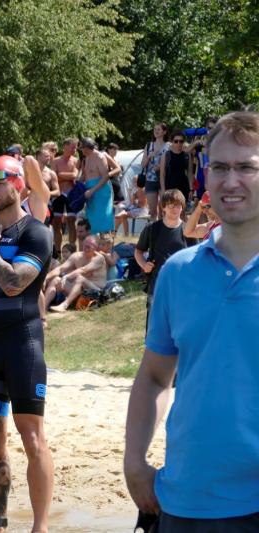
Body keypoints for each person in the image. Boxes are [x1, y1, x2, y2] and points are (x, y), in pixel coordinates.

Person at [124, 111, 259, 532]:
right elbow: (154, 378)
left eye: (246, 167)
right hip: (186, 501)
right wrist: (134, 461)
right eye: (219, 167)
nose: (230, 180)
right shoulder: (178, 272)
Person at [0, 155, 54, 533]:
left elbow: (13, 283)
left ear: (18, 186)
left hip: (22, 344)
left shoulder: (35, 233)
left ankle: (40, 526)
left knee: (32, 438)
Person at [134, 189, 190, 325]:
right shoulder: (152, 228)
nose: (175, 209)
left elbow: (196, 258)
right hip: (157, 286)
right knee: (154, 329)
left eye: (178, 205)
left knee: (178, 329)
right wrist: (144, 265)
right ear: (163, 207)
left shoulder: (188, 230)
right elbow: (138, 251)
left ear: (182, 207)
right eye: (171, 205)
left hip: (181, 288)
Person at [44, 236, 107, 313]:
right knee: (55, 280)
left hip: (96, 291)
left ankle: (64, 305)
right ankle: (43, 308)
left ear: (95, 248)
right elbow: (61, 268)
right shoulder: (76, 256)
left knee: (80, 278)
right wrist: (46, 278)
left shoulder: (99, 258)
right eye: (84, 246)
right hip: (79, 291)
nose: (85, 248)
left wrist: (67, 276)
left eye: (88, 247)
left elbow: (83, 270)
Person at [80, 137, 116, 234]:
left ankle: (104, 239)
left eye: (81, 147)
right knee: (91, 222)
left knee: (102, 220)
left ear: (86, 148)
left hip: (100, 191)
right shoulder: (86, 158)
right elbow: (87, 175)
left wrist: (92, 190)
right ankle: (94, 240)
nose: (80, 150)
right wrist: (78, 182)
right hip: (90, 191)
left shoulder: (100, 157)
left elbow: (105, 177)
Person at [51, 138, 81, 256]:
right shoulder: (55, 161)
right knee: (56, 223)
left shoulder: (76, 161)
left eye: (76, 147)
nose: (75, 149)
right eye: (73, 147)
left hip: (71, 194)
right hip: (58, 194)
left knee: (71, 221)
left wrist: (60, 174)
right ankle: (58, 251)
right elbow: (54, 177)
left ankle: (72, 250)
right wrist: (67, 176)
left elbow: (75, 175)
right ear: (65, 146)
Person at [141, 123, 170, 220]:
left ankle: (165, 228)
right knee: (153, 212)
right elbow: (143, 165)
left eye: (159, 129)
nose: (156, 131)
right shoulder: (149, 145)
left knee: (165, 210)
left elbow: (172, 163)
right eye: (155, 129)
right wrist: (150, 156)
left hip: (164, 180)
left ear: (164, 132)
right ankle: (155, 228)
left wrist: (161, 166)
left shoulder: (169, 145)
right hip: (150, 180)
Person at [159, 132, 193, 203]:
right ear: (172, 142)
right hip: (169, 188)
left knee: (183, 209)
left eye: (181, 141)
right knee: (170, 208)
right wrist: (163, 190)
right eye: (176, 141)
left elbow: (190, 173)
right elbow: (162, 175)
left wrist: (191, 189)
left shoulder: (187, 155)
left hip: (183, 188)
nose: (178, 143)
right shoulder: (166, 155)